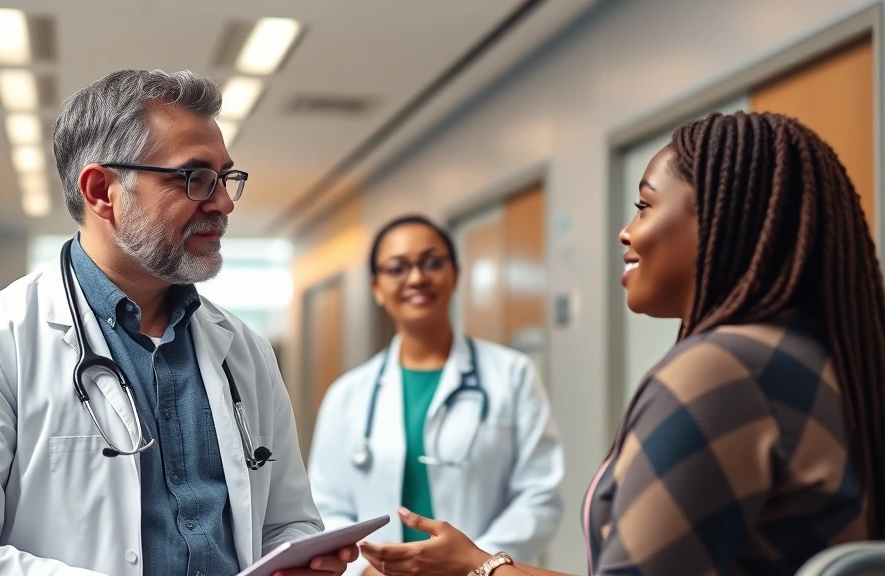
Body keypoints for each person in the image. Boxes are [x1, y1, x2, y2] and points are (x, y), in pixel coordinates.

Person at [359, 111, 885, 576]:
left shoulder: (720, 372)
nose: (625, 232)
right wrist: (481, 566)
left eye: (644, 205)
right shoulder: (816, 358)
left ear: (722, 217)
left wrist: (484, 571)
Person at [0, 69, 357, 576]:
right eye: (195, 177)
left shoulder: (246, 351)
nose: (222, 203)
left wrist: (301, 556)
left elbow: (288, 522)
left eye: (225, 178)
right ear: (102, 190)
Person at [308, 215, 564, 576]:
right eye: (397, 268)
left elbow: (539, 495)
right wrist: (364, 569)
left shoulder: (512, 375)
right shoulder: (347, 395)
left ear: (455, 274)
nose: (417, 278)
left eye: (432, 262)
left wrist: (474, 563)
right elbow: (326, 505)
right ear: (377, 287)